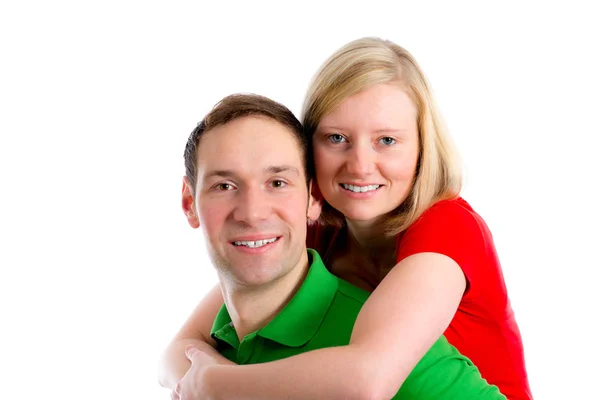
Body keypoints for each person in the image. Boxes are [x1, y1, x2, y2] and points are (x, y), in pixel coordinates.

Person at [160, 37, 532, 399]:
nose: (360, 166)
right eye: (337, 138)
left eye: (386, 141)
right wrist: (199, 370)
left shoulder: (447, 228)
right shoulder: (315, 231)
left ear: (422, 147)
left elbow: (369, 380)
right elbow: (178, 349)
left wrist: (217, 385)